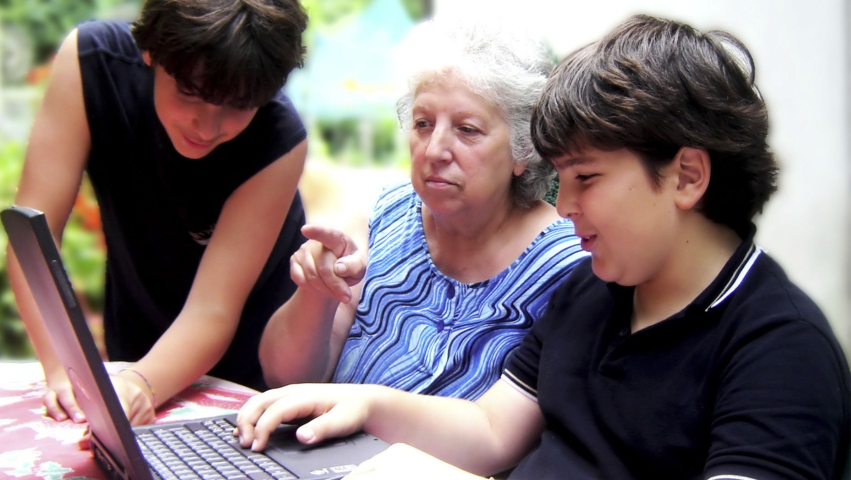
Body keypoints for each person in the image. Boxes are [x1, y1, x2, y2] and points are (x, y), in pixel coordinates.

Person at [235, 14, 851, 480]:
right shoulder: (595, 291)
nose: (561, 208)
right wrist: (363, 402)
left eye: (585, 179)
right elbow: (490, 428)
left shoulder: (780, 347)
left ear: (687, 176)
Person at [6, 0, 308, 427]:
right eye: (190, 92)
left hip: (244, 378)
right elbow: (32, 236)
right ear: (152, 53)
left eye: (238, 106)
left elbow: (213, 310)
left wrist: (142, 383)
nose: (207, 126)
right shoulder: (94, 63)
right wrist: (65, 371)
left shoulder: (279, 139)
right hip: (133, 339)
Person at [258, 17, 586, 400]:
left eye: (467, 130)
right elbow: (283, 378)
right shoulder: (383, 216)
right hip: (326, 453)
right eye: (423, 123)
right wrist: (318, 292)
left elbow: (507, 435)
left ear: (522, 150)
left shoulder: (566, 264)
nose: (434, 150)